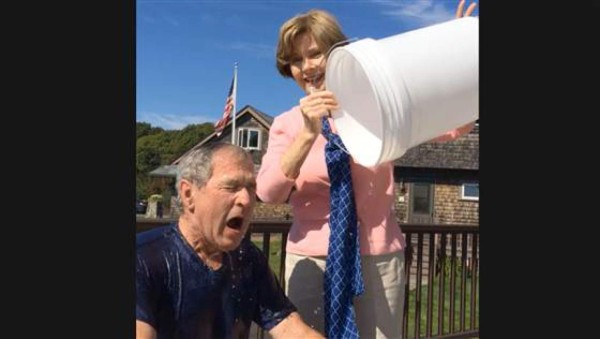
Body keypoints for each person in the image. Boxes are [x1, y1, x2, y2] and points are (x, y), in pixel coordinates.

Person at [256, 1, 477, 338]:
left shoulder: (378, 108)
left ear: (338, 53)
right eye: (296, 61)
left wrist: (462, 50)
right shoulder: (288, 124)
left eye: (314, 54)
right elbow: (269, 192)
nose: (306, 67)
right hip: (310, 258)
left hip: (378, 256)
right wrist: (307, 135)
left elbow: (452, 125)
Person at [136, 143, 324, 339]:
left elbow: (287, 326)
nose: (246, 199)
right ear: (188, 194)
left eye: (251, 187)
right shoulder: (143, 259)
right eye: (231, 187)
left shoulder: (248, 258)